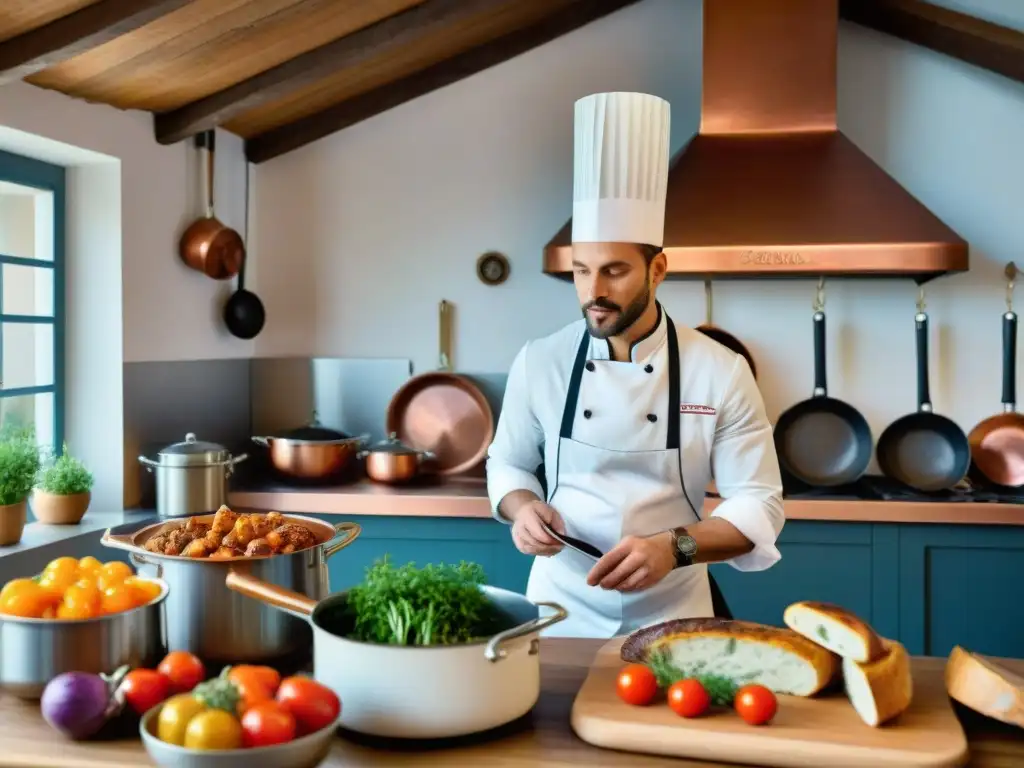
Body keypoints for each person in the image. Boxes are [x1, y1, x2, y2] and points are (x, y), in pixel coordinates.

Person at [486, 91, 785, 639]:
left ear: (658, 269)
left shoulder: (720, 370)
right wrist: (522, 506)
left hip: (674, 608)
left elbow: (760, 505)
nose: (593, 292)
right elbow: (506, 465)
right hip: (558, 609)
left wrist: (677, 546)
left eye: (615, 271)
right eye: (580, 271)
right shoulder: (540, 361)